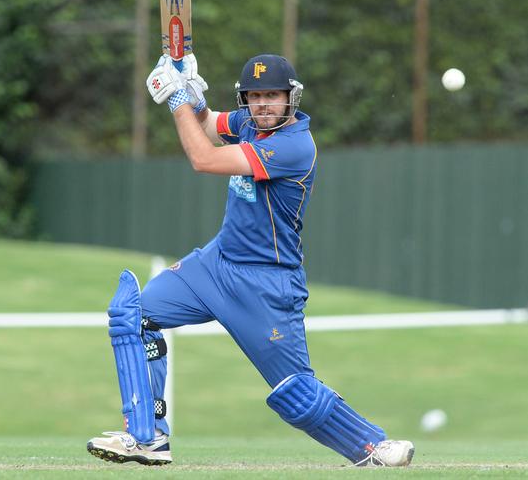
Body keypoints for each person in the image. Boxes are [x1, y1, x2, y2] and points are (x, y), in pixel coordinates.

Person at [86, 53, 414, 467]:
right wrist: (191, 90)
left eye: (272, 96)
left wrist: (174, 100)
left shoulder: (294, 145)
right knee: (134, 315)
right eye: (254, 96)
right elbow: (207, 123)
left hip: (267, 283)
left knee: (295, 392)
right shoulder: (248, 124)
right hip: (216, 263)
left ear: (291, 98)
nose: (262, 104)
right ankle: (146, 437)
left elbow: (203, 159)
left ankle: (372, 447)